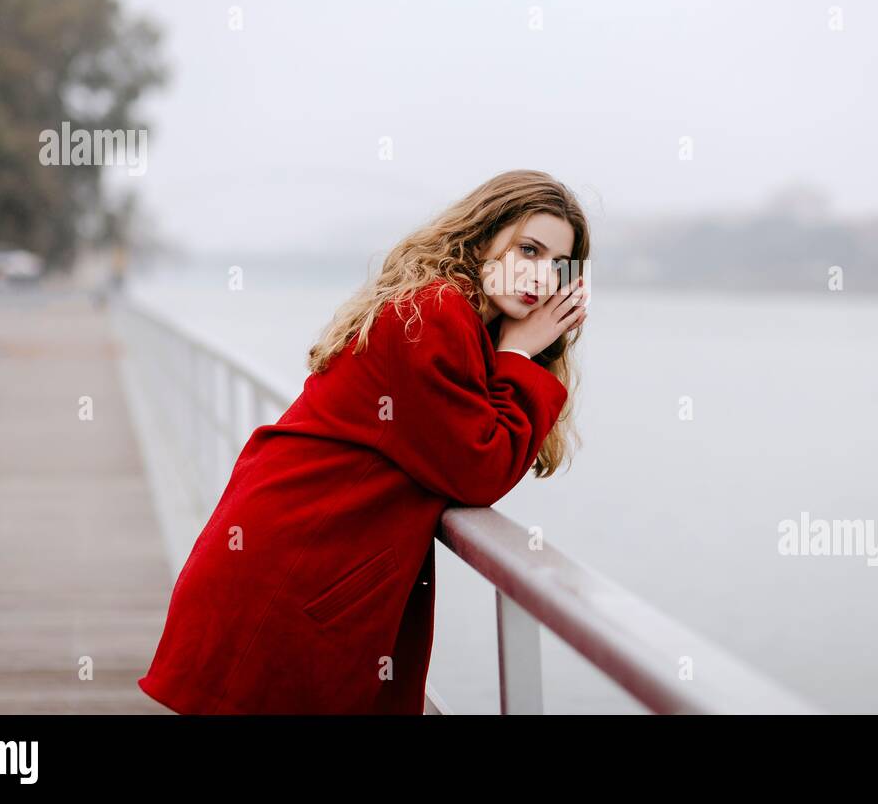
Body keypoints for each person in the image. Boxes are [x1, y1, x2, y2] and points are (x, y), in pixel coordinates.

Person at [136, 169, 591, 713]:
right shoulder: (436, 315)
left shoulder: (449, 311)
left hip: (298, 561)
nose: (539, 275)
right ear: (483, 235)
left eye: (555, 264)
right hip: (289, 575)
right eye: (528, 249)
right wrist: (517, 358)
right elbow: (478, 469)